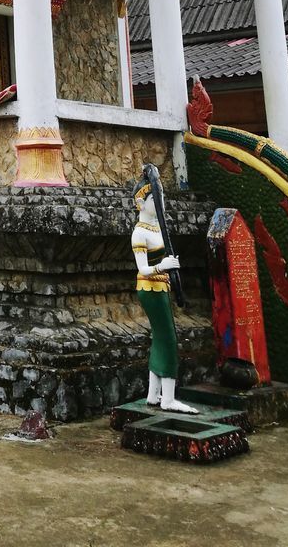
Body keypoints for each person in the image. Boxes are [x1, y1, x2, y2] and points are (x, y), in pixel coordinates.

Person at [131, 172, 197, 414]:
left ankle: (153, 394)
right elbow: (143, 269)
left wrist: (170, 264)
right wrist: (164, 266)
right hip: (150, 288)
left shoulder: (156, 228)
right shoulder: (140, 232)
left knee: (160, 338)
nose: (159, 205)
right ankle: (168, 399)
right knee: (168, 339)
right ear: (140, 203)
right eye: (154, 200)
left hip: (162, 287)